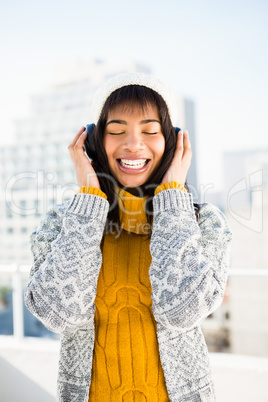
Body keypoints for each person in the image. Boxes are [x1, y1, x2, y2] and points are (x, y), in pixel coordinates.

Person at [24, 72, 232, 402]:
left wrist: (172, 197)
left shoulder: (203, 221)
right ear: (93, 142)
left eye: (150, 131)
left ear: (173, 143)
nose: (133, 143)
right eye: (117, 131)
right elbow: (59, 314)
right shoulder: (63, 222)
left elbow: (180, 312)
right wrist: (89, 199)